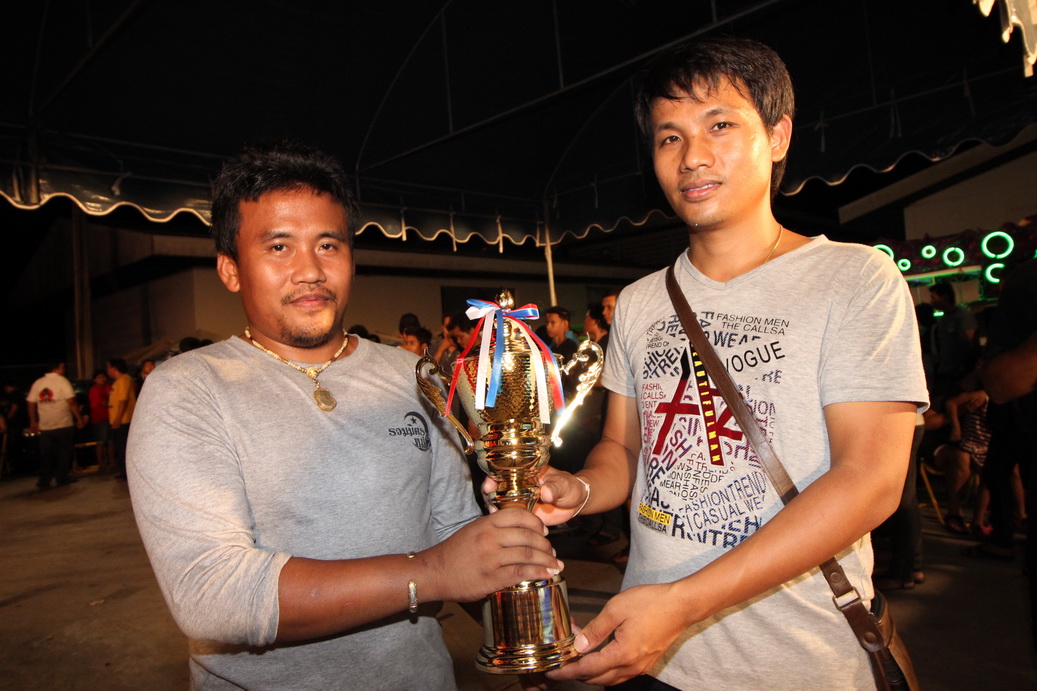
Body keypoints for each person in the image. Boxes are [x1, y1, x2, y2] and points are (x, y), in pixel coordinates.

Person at [524, 37, 927, 689]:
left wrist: (684, 603)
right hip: (654, 657)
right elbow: (622, 447)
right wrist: (582, 489)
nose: (692, 156)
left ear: (777, 136)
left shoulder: (853, 277)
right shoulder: (640, 301)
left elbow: (870, 479)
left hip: (797, 660)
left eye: (719, 126)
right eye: (669, 137)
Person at [126, 140, 560, 689]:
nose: (310, 270)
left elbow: (454, 533)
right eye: (279, 246)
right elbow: (213, 593)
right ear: (230, 269)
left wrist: (531, 635)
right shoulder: (186, 389)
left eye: (328, 244)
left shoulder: (415, 375)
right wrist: (429, 574)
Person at [26, 362, 86, 488]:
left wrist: (33, 421)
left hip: (45, 425)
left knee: (46, 453)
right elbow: (71, 401)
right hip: (63, 422)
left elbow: (31, 403)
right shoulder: (62, 381)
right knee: (64, 452)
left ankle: (45, 479)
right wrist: (79, 418)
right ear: (58, 368)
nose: (65, 369)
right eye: (63, 367)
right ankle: (62, 477)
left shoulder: (38, 383)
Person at [929, 281, 978, 399]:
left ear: (944, 297)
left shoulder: (963, 317)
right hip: (946, 369)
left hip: (959, 371)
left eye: (933, 297)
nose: (931, 302)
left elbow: (972, 341)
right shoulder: (943, 319)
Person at [106, 358, 136, 480]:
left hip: (124, 421)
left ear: (114, 369)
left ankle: (125, 473)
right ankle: (123, 472)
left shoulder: (123, 380)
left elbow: (123, 401)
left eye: (108, 367)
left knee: (123, 447)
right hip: (121, 421)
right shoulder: (120, 381)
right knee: (120, 447)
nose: (108, 371)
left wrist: (118, 419)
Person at [87, 370, 112, 471]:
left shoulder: (108, 387)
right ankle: (101, 464)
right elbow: (104, 402)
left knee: (111, 442)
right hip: (100, 419)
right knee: (101, 442)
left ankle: (111, 463)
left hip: (110, 418)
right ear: (94, 380)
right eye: (100, 377)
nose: (103, 379)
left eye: (104, 376)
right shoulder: (94, 390)